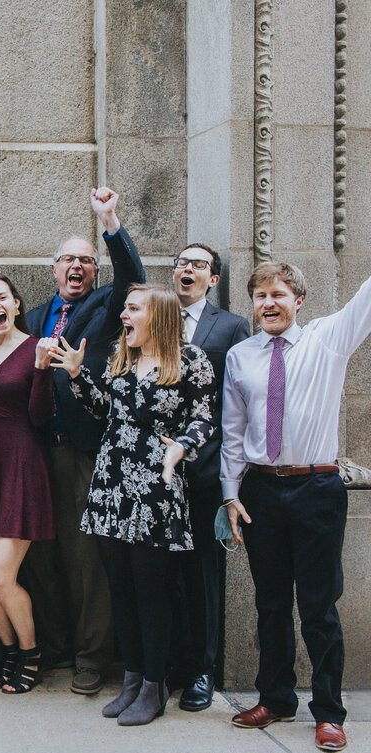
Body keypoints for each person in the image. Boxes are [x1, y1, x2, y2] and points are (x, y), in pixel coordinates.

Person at [49, 283, 215, 726]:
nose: (124, 315)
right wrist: (78, 375)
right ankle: (133, 679)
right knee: (120, 588)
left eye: (133, 308)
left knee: (151, 592)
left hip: (155, 490)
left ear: (158, 315)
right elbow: (104, 410)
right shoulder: (122, 357)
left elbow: (204, 419)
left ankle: (155, 685)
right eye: (124, 308)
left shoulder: (191, 360)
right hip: (110, 486)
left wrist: (182, 446)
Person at [221, 263, 369, 753]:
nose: (268, 303)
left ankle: (328, 712)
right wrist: (230, 493)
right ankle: (276, 698)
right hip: (262, 491)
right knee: (270, 604)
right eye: (260, 295)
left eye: (278, 294)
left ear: (298, 300)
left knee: (319, 607)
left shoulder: (329, 339)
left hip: (317, 488)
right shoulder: (241, 356)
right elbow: (233, 432)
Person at [21, 186, 145, 694]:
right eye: (68, 259)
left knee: (89, 560)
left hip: (85, 449)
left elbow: (133, 277)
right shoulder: (31, 319)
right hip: (35, 451)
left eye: (86, 261)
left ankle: (92, 658)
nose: (77, 267)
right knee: (42, 556)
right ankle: (53, 648)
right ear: (53, 268)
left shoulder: (105, 305)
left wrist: (109, 220)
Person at [0, 274, 56, 694]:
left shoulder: (36, 347)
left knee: (2, 577)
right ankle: (9, 650)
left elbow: (40, 417)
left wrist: (41, 369)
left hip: (21, 463)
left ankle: (32, 652)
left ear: (17, 304)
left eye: (2, 297)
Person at [166, 243, 249, 711]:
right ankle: (173, 662)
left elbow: (236, 400)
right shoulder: (156, 318)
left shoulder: (232, 326)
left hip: (204, 468)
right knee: (167, 573)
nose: (188, 270)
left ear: (212, 279)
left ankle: (203, 669)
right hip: (155, 471)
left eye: (198, 265)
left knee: (202, 574)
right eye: (181, 263)